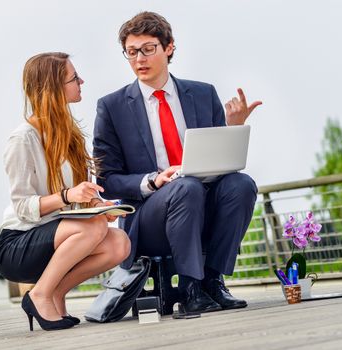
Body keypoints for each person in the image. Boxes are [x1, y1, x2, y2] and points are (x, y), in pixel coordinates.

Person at [93, 12, 260, 313]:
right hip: (149, 215)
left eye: (148, 49)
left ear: (168, 47)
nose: (139, 59)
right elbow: (107, 181)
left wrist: (232, 128)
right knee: (187, 187)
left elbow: (217, 159)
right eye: (132, 52)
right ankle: (190, 286)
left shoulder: (202, 93)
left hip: (199, 201)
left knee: (241, 183)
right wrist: (152, 180)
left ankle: (212, 281)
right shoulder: (112, 107)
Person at [0, 52, 131, 331]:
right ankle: (40, 294)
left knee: (120, 243)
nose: (81, 81)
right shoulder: (22, 139)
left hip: (59, 236)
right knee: (92, 228)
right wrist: (69, 196)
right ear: (53, 88)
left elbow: (74, 199)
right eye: (73, 78)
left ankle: (55, 292)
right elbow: (23, 208)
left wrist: (96, 203)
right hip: (18, 244)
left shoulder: (69, 135)